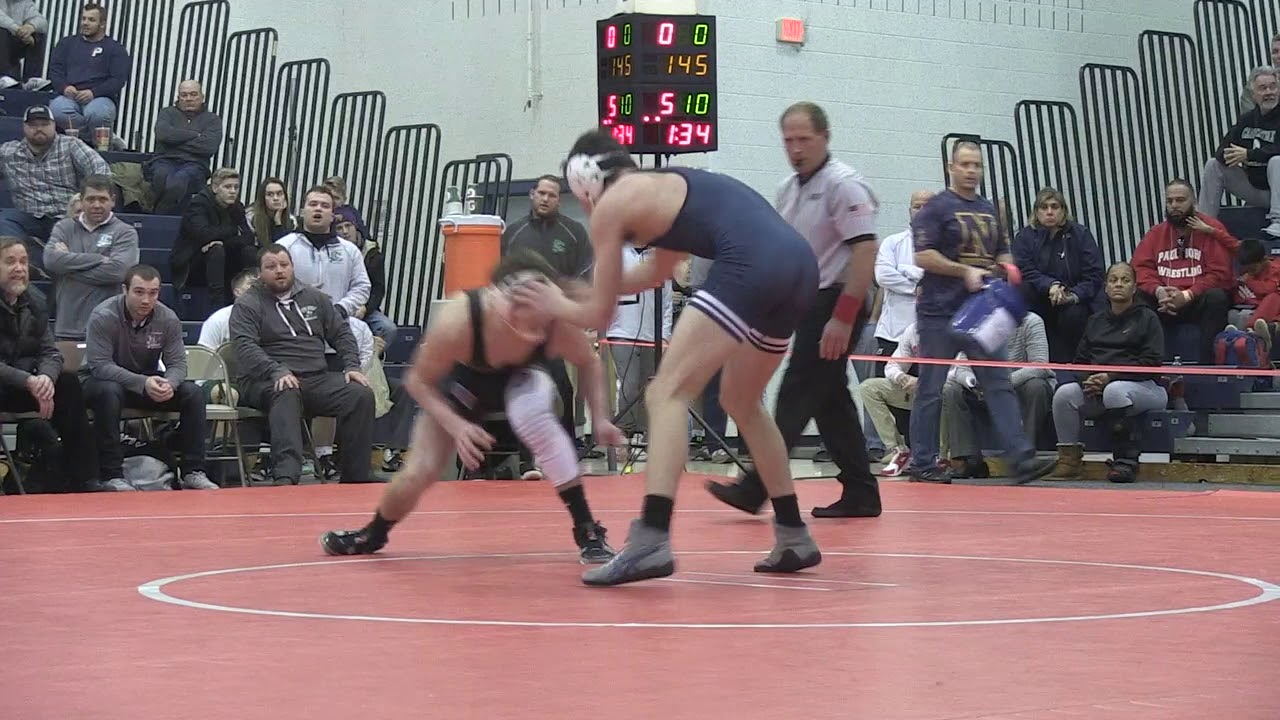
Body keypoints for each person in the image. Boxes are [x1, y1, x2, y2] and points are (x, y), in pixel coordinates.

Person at [516, 129, 824, 587]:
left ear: (587, 184)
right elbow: (653, 273)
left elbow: (599, 314)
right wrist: (569, 290)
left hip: (752, 265)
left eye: (578, 198)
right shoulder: (665, 188)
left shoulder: (614, 207)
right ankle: (793, 533)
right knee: (742, 400)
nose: (583, 209)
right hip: (799, 268)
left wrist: (552, 304)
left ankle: (651, 539)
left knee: (666, 392)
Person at [319, 250, 624, 563]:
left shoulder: (554, 321)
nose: (526, 320)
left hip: (523, 376)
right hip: (464, 382)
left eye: (536, 309)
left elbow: (589, 362)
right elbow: (418, 382)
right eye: (518, 308)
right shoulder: (461, 317)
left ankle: (587, 529)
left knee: (536, 419)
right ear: (496, 298)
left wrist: (600, 419)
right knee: (420, 471)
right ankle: (375, 531)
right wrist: (458, 426)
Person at [706, 101, 882, 519]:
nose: (796, 148)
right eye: (788, 140)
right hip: (805, 301)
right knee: (830, 400)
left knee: (797, 390)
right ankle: (861, 491)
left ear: (824, 137)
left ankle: (756, 487)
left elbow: (864, 252)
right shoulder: (788, 189)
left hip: (837, 300)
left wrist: (843, 316)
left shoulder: (845, 186)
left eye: (804, 139)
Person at [905, 141, 1056, 485]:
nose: (972, 171)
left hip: (981, 310)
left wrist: (1008, 266)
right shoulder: (936, 208)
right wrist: (963, 271)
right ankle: (923, 462)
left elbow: (1002, 247)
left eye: (977, 165)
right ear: (951, 167)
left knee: (999, 382)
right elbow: (922, 255)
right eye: (966, 164)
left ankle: (1020, 459)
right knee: (931, 387)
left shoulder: (989, 209)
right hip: (938, 311)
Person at [1046, 262, 1167, 484]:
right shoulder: (1095, 321)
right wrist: (1089, 380)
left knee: (1114, 390)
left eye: (1125, 280)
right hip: (1100, 387)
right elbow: (1080, 362)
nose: (1118, 284)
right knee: (1064, 395)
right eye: (1113, 280)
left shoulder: (1147, 318)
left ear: (1134, 287)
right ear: (1105, 287)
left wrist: (1109, 377)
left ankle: (1125, 461)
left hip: (1145, 388)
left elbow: (1151, 363)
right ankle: (1069, 461)